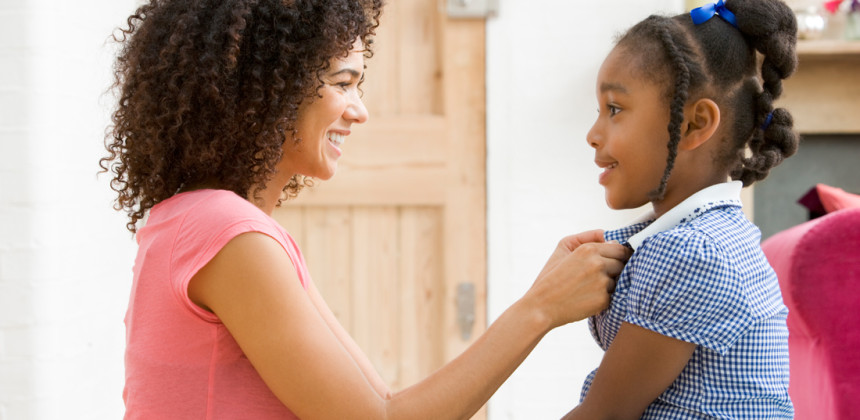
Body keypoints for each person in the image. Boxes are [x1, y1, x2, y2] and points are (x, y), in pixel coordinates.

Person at [100, 1, 630, 418]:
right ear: (265, 90)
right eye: (342, 84)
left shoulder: (202, 221)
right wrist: (540, 308)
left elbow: (385, 404)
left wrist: (543, 300)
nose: (360, 110)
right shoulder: (227, 231)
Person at [561, 0, 800, 418]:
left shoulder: (695, 254)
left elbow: (603, 415)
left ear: (694, 125)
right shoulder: (700, 238)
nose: (593, 135)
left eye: (614, 109)